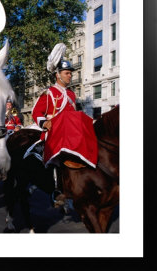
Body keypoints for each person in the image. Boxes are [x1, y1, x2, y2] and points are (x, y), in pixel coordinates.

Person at [31, 43, 98, 203]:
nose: (70, 76)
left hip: (70, 133)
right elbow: (36, 112)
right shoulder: (49, 93)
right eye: (67, 73)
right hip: (55, 132)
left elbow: (74, 116)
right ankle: (56, 186)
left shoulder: (71, 95)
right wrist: (44, 123)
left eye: (70, 73)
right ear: (58, 75)